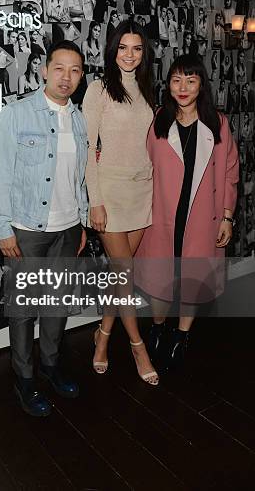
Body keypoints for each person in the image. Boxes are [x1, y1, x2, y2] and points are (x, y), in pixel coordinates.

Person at [0, 40, 88, 417]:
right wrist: (2, 228)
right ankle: (25, 379)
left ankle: (51, 366)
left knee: (57, 305)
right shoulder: (17, 114)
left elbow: (78, 180)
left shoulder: (78, 119)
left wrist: (83, 224)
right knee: (25, 310)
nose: (67, 77)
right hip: (26, 229)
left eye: (75, 70)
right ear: (44, 70)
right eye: (59, 68)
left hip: (68, 227)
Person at [135, 54, 239, 371]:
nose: (183, 87)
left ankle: (181, 336)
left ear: (200, 86)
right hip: (162, 217)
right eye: (177, 80)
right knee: (159, 278)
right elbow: (140, 167)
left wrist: (226, 216)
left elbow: (230, 172)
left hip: (202, 218)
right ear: (168, 85)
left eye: (191, 81)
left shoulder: (218, 124)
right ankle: (157, 326)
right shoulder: (157, 122)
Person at [82, 20, 158, 385]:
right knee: (124, 275)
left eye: (137, 48)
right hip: (109, 195)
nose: (129, 55)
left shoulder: (146, 89)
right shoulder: (98, 90)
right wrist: (94, 202)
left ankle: (102, 337)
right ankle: (137, 345)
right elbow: (86, 149)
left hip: (142, 192)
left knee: (120, 276)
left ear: (144, 54)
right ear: (112, 50)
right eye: (123, 48)